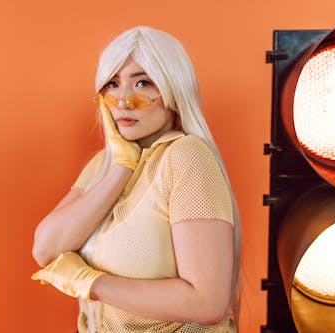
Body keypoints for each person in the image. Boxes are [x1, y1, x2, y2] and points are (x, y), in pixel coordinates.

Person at [31, 26, 241, 333]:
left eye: (143, 82)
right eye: (112, 84)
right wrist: (121, 167)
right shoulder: (104, 164)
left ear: (173, 89)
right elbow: (45, 249)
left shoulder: (186, 156)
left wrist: (90, 282)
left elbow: (206, 302)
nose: (123, 100)